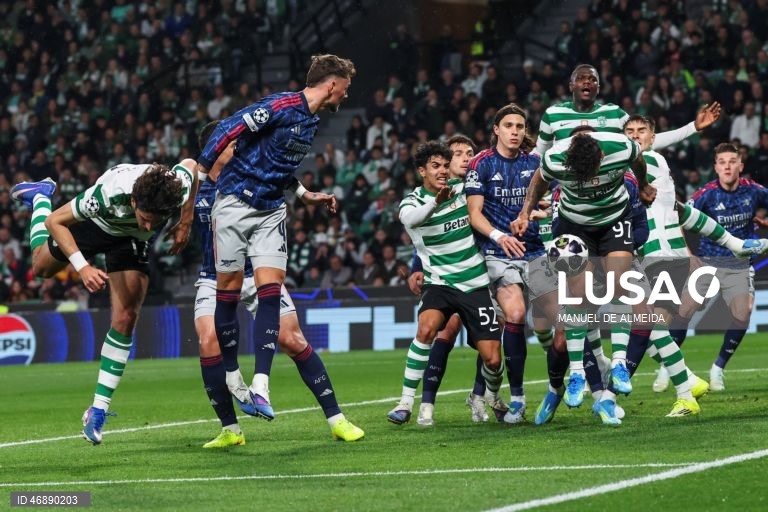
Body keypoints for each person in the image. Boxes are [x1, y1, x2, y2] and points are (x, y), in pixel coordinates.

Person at [194, 54, 355, 419]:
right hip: (235, 203)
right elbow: (228, 129)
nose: (346, 95)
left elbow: (278, 164)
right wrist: (199, 181)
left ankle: (261, 385)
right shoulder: (280, 106)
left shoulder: (312, 121)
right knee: (226, 299)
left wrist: (304, 194)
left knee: (272, 290)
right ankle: (232, 378)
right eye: (345, 88)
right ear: (332, 84)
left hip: (271, 209)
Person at [11, 160, 198, 444]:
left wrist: (186, 220)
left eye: (155, 220)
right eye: (145, 217)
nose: (150, 224)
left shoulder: (175, 189)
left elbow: (191, 165)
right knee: (40, 267)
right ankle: (40, 196)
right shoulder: (106, 196)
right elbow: (55, 222)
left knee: (126, 317)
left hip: (131, 238)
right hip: (98, 224)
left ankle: (98, 410)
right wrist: (83, 267)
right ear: (134, 201)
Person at [623, 116, 767, 400]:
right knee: (654, 323)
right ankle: (679, 378)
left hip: (662, 257)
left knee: (646, 323)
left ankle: (693, 381)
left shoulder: (647, 162)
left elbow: (678, 210)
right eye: (630, 132)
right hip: (684, 258)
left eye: (642, 131)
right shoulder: (700, 190)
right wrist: (731, 242)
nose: (636, 136)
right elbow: (685, 213)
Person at [465, 103, 572, 425]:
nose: (514, 131)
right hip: (499, 253)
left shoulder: (536, 163)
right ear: (496, 129)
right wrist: (499, 236)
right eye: (508, 125)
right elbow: (474, 214)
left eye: (520, 126)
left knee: (565, 322)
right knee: (514, 314)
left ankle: (555, 387)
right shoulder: (481, 164)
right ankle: (518, 398)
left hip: (536, 252)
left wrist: (543, 211)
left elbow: (558, 202)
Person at [387, 141, 505, 425]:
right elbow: (411, 220)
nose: (441, 171)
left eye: (444, 165)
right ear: (422, 171)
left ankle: (491, 394)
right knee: (426, 329)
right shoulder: (412, 202)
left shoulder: (462, 191)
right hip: (439, 282)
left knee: (492, 359)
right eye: (435, 166)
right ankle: (405, 403)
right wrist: (436, 202)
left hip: (474, 282)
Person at [669, 143, 768, 391]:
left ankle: (718, 369)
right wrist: (688, 254)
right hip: (708, 262)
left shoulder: (754, 191)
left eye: (732, 161)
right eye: (722, 162)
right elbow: (677, 217)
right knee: (684, 311)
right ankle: (668, 366)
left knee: (744, 312)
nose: (727, 166)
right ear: (715, 167)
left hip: (739, 265)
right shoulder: (706, 194)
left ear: (740, 166)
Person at [534, 63, 721, 157]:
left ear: (598, 88)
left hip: (610, 197)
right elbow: (539, 155)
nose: (587, 82)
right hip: (567, 196)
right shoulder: (552, 114)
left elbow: (647, 141)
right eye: (581, 79)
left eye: (592, 79)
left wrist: (693, 127)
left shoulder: (614, 113)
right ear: (571, 86)